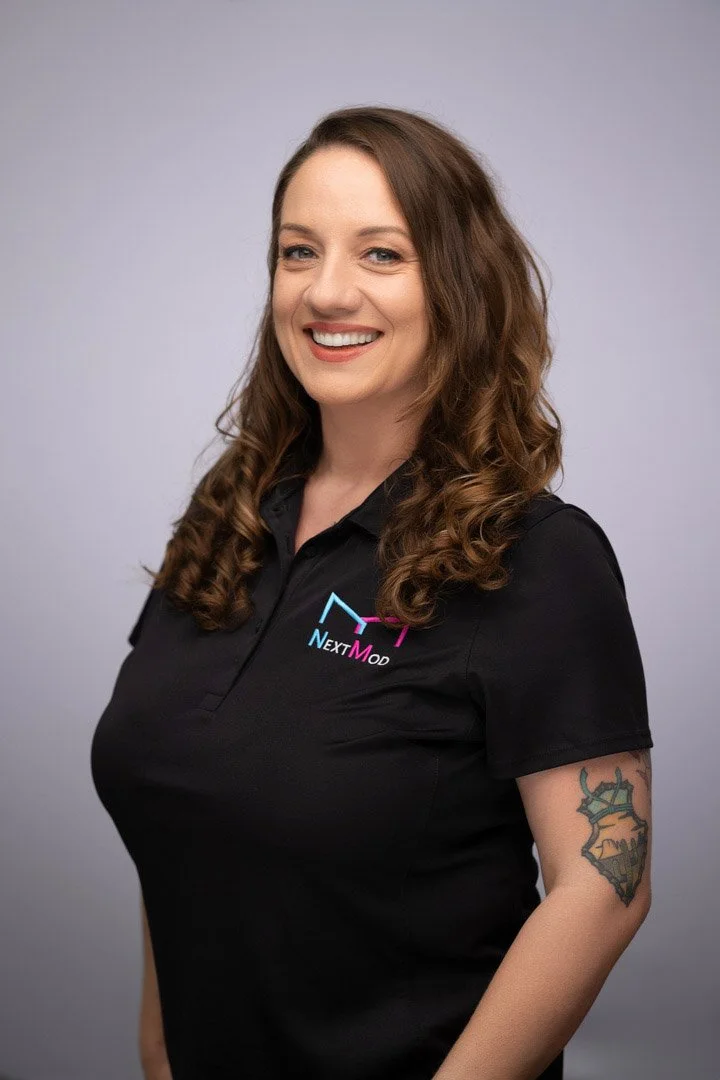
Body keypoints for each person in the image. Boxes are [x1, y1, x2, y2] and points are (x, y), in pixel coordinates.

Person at [90, 105, 653, 1080]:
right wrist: (160, 1054)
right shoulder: (224, 521)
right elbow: (182, 815)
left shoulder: (537, 558)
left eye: (382, 254)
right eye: (297, 251)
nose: (327, 291)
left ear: (458, 285)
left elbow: (603, 886)